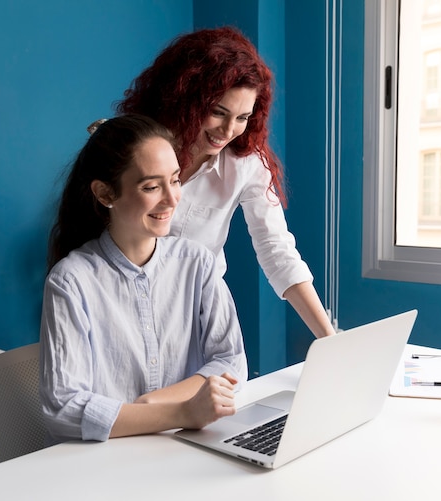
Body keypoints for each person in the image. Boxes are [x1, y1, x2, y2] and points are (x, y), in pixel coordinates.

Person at [116, 26, 336, 339]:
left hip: (199, 318)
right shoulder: (134, 147)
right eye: (218, 112)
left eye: (243, 117)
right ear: (186, 99)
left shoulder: (245, 163)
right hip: (124, 312)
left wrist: (329, 338)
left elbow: (277, 249)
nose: (229, 130)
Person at [39, 114, 247, 444]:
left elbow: (231, 360)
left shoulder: (196, 262)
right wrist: (182, 412)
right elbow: (63, 408)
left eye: (175, 180)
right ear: (105, 194)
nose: (172, 198)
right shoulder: (71, 282)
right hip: (107, 468)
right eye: (151, 186)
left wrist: (154, 403)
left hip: (182, 450)